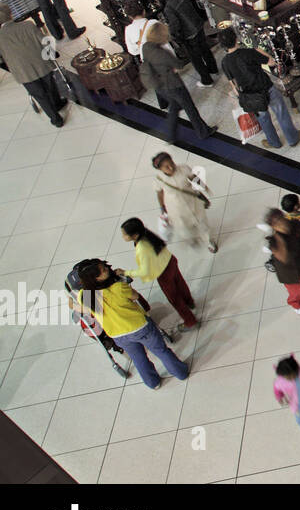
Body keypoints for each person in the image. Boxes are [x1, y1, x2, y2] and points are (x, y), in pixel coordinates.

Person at [74, 259, 188, 390]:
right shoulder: (118, 288)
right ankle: (180, 373)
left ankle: (153, 383)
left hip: (117, 334)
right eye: (103, 270)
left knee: (138, 358)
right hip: (140, 327)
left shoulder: (85, 295)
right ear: (96, 278)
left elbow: (81, 308)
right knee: (160, 350)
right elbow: (134, 296)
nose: (107, 269)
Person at [218, 27, 300, 149]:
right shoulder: (248, 52)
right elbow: (271, 62)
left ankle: (274, 142)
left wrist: (240, 96)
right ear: (236, 39)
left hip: (251, 95)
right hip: (266, 87)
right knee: (281, 113)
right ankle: (292, 139)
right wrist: (258, 50)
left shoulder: (225, 62)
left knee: (263, 119)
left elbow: (233, 83)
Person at [140, 23, 216, 144]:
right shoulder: (163, 54)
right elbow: (179, 65)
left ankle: (170, 136)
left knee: (174, 107)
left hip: (160, 87)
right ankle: (203, 132)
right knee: (190, 108)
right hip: (173, 85)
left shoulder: (146, 47)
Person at [120, 216, 198, 329]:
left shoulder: (142, 247)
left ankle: (190, 321)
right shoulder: (147, 233)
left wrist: (126, 273)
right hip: (170, 261)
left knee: (174, 298)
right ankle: (189, 302)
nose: (123, 237)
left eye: (124, 234)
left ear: (135, 235)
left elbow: (144, 271)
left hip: (163, 273)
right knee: (180, 284)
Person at [0, 1, 66, 127]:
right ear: (11, 14)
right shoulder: (27, 25)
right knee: (50, 86)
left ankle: (56, 119)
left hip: (22, 72)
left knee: (39, 95)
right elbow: (44, 41)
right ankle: (57, 103)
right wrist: (53, 54)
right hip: (41, 64)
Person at [152, 151, 216, 253]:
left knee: (203, 223)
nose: (171, 168)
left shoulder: (183, 168)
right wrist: (162, 207)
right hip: (176, 208)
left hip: (193, 202)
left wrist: (204, 190)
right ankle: (191, 240)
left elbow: (194, 178)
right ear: (160, 169)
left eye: (171, 163)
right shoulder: (159, 179)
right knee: (183, 228)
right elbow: (160, 193)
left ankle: (209, 241)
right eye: (166, 167)